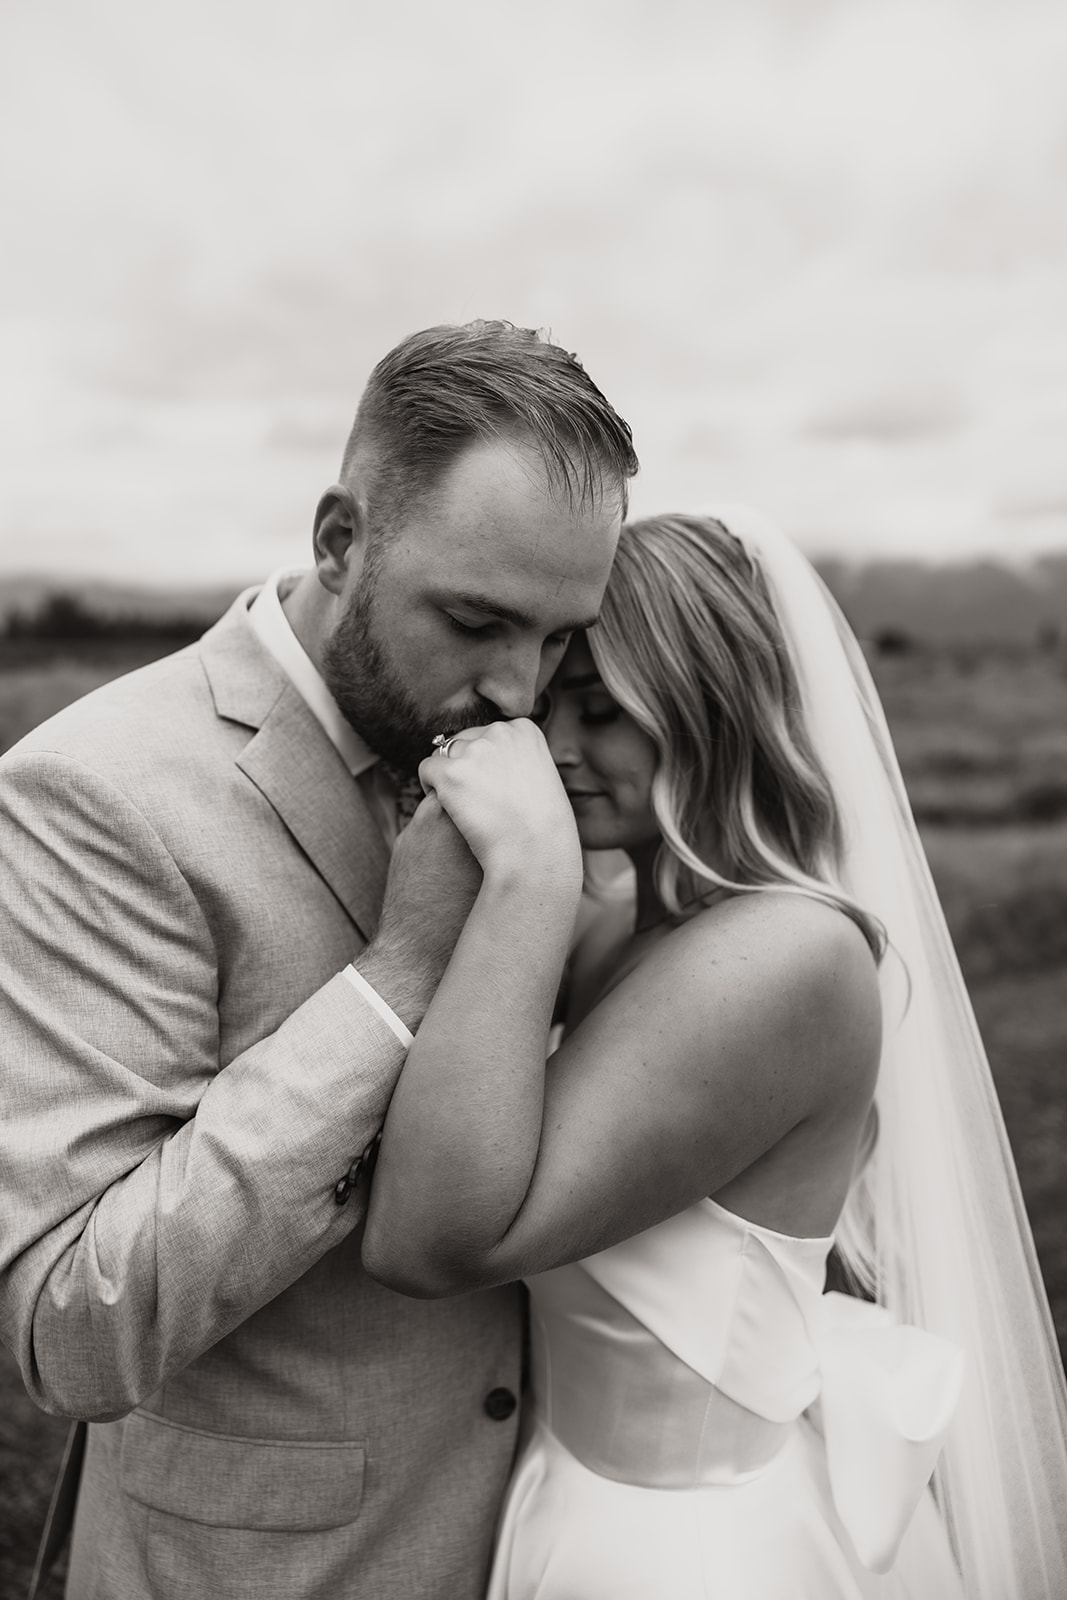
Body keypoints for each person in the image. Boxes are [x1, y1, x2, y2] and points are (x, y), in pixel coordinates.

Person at [0, 320, 638, 1600]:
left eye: (562, 635)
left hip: (547, 1541)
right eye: (474, 619)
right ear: (340, 538)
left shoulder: (540, 761)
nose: (520, 687)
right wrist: (400, 977)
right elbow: (71, 1328)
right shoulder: (95, 789)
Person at [362, 509, 1067, 1598]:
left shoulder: (786, 957)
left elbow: (424, 1238)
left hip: (685, 1550)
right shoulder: (623, 921)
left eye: (602, 713)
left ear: (710, 712)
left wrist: (523, 875)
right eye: (550, 705)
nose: (551, 748)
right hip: (568, 1494)